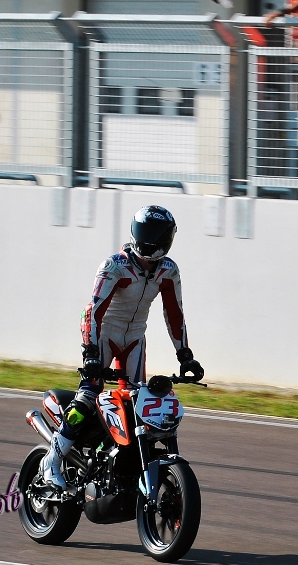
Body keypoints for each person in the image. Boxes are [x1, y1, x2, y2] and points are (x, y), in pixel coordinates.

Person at [40, 205, 204, 490]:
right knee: (88, 395)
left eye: (156, 235)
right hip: (104, 337)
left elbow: (174, 314)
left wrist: (185, 355)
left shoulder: (169, 270)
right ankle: (52, 459)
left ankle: (121, 458)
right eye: (146, 233)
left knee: (137, 401)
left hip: (135, 340)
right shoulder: (115, 265)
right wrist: (90, 352)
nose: (150, 241)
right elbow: (92, 311)